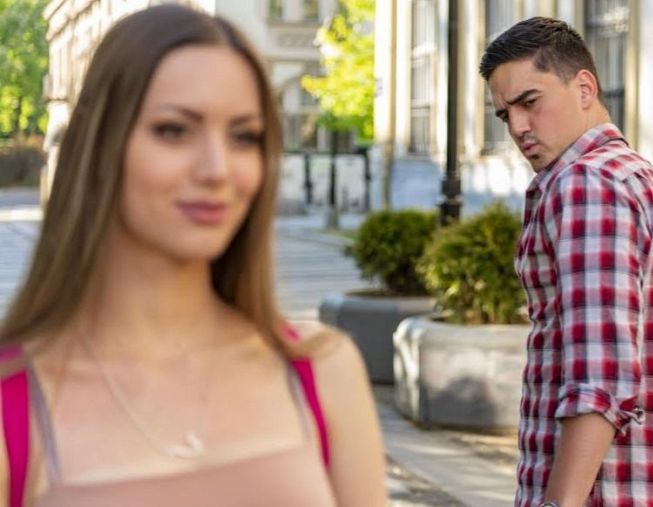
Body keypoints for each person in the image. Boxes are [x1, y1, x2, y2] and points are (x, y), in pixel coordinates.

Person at [0, 5, 386, 506]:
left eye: (244, 137)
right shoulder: (15, 400)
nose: (217, 169)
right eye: (174, 130)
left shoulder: (322, 369)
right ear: (100, 147)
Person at [480, 17, 653, 507]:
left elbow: (598, 380)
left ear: (584, 87)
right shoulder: (644, 181)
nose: (517, 127)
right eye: (505, 115)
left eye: (529, 102)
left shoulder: (588, 185)